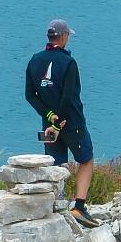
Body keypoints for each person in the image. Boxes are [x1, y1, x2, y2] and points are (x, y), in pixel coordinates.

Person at [25, 18, 98, 228]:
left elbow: (30, 95)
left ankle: (57, 208)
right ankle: (79, 207)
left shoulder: (34, 61)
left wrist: (50, 117)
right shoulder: (69, 63)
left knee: (56, 165)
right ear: (64, 37)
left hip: (48, 124)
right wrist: (59, 124)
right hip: (72, 121)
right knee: (86, 159)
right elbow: (67, 98)